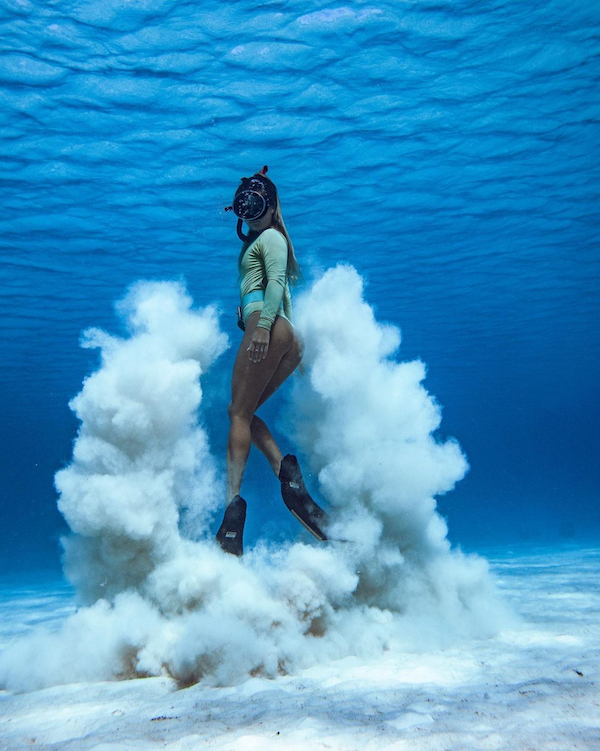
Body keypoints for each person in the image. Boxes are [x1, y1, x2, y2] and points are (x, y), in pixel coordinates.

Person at [216, 166, 329, 556]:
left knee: (237, 414)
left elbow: (277, 284)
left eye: (256, 202)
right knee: (245, 412)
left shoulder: (271, 238)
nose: (249, 208)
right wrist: (275, 333)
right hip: (280, 330)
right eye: (244, 203)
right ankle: (289, 479)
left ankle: (232, 507)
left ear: (271, 206)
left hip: (270, 327)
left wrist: (262, 326)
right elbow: (275, 290)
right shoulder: (262, 240)